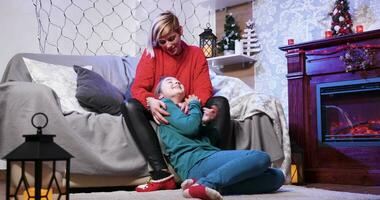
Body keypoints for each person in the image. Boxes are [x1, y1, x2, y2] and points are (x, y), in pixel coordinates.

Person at [120, 11, 232, 192]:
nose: (168, 45)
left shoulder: (196, 53)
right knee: (129, 105)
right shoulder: (152, 54)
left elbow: (204, 89)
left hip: (187, 104)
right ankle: (161, 173)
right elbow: (138, 88)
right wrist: (151, 101)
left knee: (220, 102)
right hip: (162, 106)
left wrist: (190, 103)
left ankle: (216, 164)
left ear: (180, 31)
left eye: (171, 38)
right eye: (162, 42)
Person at [155, 76, 285, 200]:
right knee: (261, 157)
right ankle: (207, 183)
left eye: (178, 81)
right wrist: (195, 104)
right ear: (160, 95)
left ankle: (199, 185)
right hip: (194, 162)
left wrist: (205, 122)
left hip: (206, 159)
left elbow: (209, 141)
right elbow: (190, 128)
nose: (176, 83)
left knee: (277, 177)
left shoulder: (187, 112)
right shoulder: (165, 105)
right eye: (170, 82)